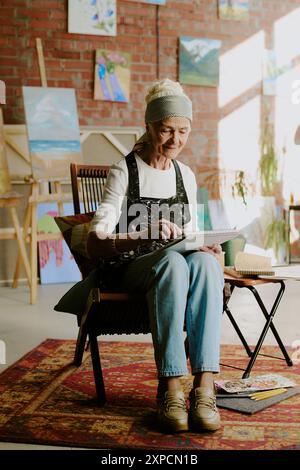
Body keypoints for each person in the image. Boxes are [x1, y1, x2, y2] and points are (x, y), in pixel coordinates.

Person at [87, 78, 224, 433]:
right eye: (166, 130)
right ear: (149, 127)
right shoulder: (125, 171)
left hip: (174, 267)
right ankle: (171, 387)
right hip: (129, 268)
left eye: (183, 131)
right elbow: (96, 240)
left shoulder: (185, 175)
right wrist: (139, 235)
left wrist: (206, 245)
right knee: (172, 262)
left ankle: (205, 385)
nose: (175, 141)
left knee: (205, 263)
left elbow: (190, 233)